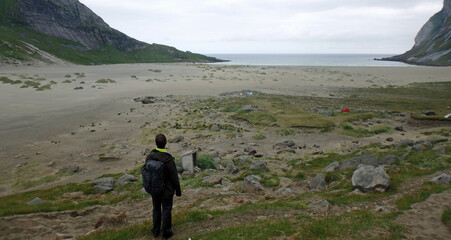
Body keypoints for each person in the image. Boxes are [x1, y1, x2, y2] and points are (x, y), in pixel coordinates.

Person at [146, 134, 181, 239]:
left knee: (156, 209)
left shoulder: (150, 156)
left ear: (156, 143)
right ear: (165, 144)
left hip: (155, 189)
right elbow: (174, 177)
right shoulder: (168, 159)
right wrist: (178, 190)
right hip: (167, 190)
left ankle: (156, 230)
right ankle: (166, 232)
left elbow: (147, 173)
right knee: (166, 209)